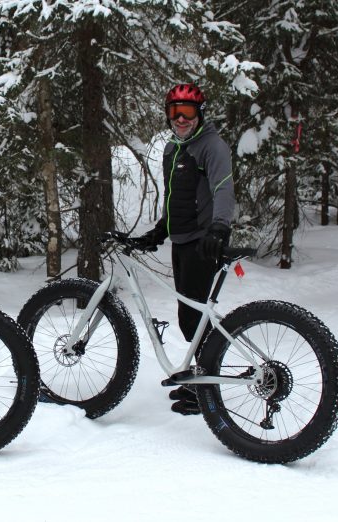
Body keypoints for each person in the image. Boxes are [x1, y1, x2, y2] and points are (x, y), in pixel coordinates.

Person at [137, 83, 235, 416]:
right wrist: (160, 231)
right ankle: (202, 380)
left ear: (200, 114)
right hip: (181, 241)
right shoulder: (173, 149)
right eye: (174, 112)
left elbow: (223, 189)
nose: (181, 119)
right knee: (190, 318)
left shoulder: (212, 146)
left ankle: (206, 389)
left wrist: (220, 227)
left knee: (193, 319)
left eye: (188, 112)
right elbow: (176, 199)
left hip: (203, 241)